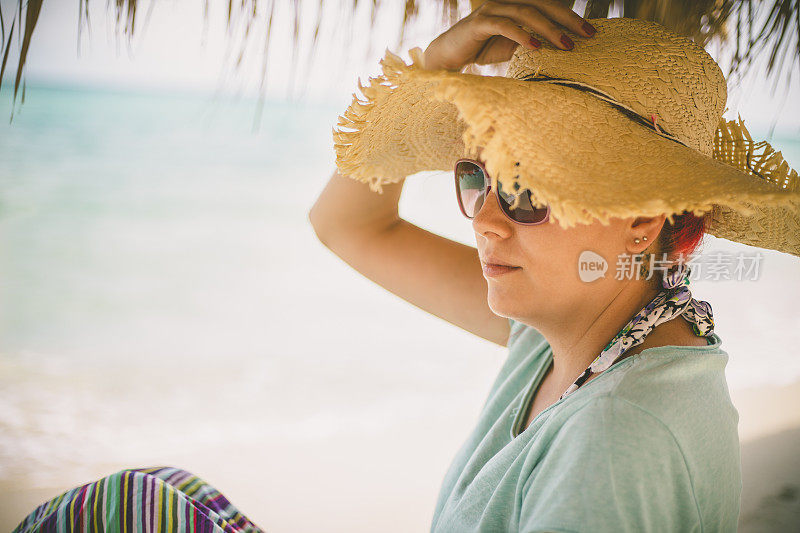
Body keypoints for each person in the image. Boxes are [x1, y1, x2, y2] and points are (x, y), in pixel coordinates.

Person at [13, 3, 799, 532]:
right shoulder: (595, 325)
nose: (485, 217)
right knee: (162, 492)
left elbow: (350, 229)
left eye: (526, 188)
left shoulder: (620, 435)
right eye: (475, 175)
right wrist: (430, 69)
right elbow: (350, 224)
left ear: (642, 210)